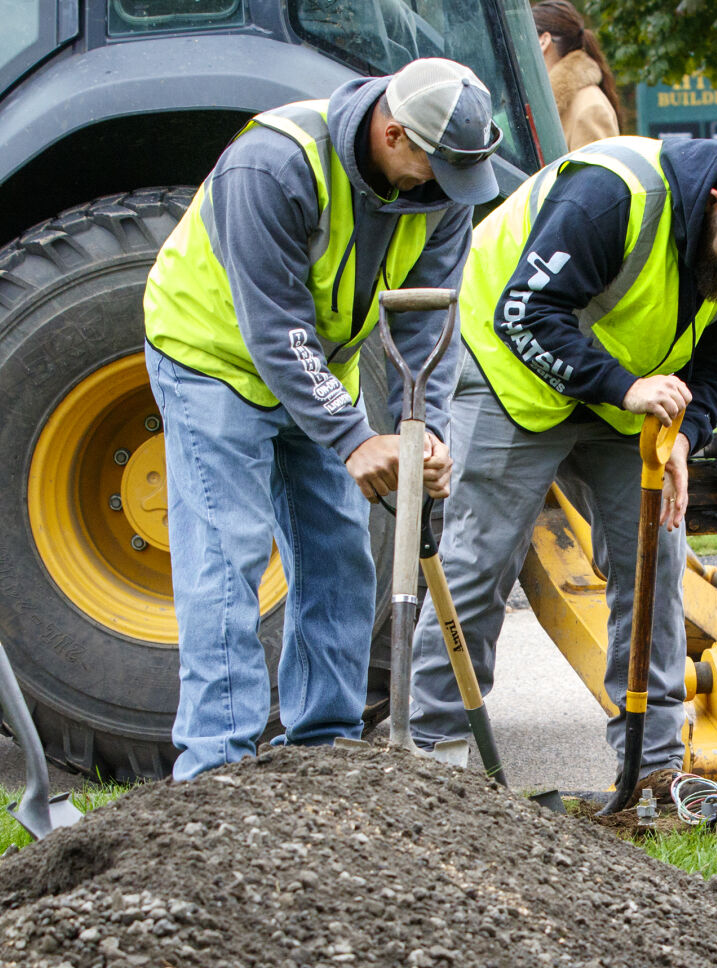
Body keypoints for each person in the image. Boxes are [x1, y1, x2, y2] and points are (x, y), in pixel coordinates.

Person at [407, 136, 717, 780]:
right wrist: (625, 388)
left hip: (630, 395)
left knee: (654, 554)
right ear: (715, 202)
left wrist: (684, 436)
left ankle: (648, 768)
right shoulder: (614, 195)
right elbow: (525, 311)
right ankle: (434, 757)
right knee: (479, 558)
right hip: (514, 369)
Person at [143, 59, 502, 780]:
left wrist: (426, 430)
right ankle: (216, 767)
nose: (445, 193)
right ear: (393, 134)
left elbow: (430, 324)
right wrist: (351, 436)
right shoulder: (273, 167)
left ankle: (324, 753)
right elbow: (272, 328)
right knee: (228, 554)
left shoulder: (445, 183)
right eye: (434, 169)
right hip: (213, 355)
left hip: (316, 368)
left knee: (339, 553)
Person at [531, 0, 622, 149]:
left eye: (522, 38)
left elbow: (596, 173)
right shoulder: (548, 102)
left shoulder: (591, 108)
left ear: (544, 42)